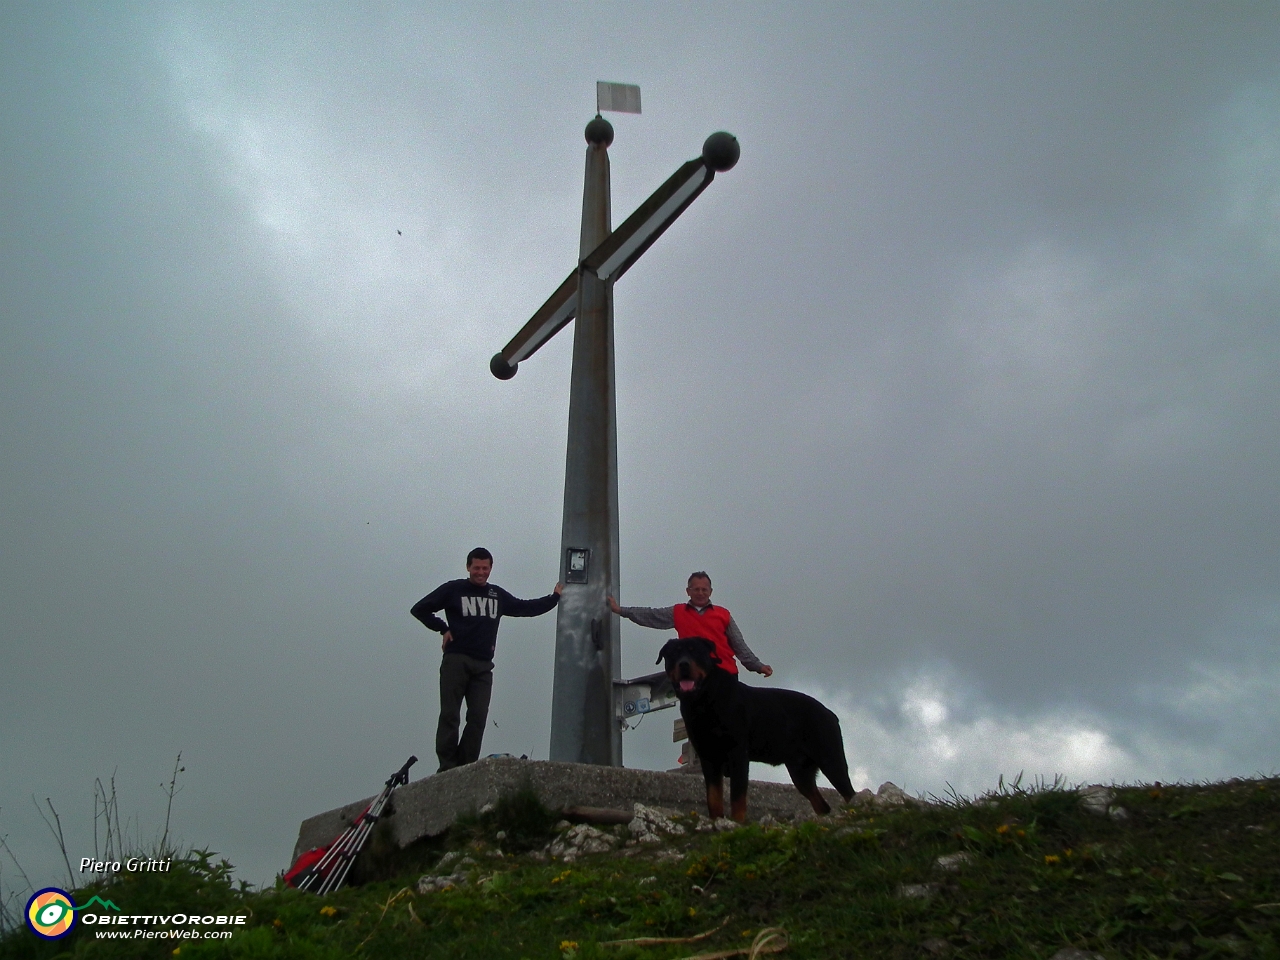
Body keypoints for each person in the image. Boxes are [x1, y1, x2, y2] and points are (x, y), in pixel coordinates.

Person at [412, 548, 562, 772]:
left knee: (478, 717)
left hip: (483, 666)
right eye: (476, 568)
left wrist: (554, 598)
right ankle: (447, 766)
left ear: (490, 569)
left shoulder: (496, 595)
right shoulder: (454, 589)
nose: (480, 572)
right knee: (450, 714)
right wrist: (442, 628)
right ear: (468, 567)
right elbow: (420, 609)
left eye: (485, 568)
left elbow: (524, 608)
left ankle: (464, 766)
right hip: (456, 660)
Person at [607, 571, 772, 679]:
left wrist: (758, 666)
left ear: (710, 592)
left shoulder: (723, 614)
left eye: (704, 589)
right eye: (696, 589)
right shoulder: (678, 612)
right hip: (694, 674)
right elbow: (651, 615)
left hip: (724, 673)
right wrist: (620, 610)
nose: (700, 593)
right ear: (688, 591)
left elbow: (739, 645)